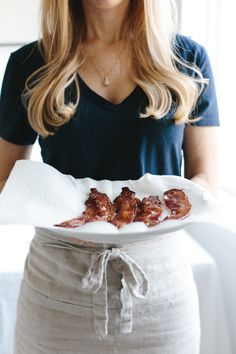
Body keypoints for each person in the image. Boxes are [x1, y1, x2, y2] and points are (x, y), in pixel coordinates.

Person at [0, 0, 219, 353]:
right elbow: (4, 180)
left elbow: (204, 175)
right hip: (58, 285)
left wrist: (175, 208)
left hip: (160, 286)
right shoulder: (30, 63)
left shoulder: (188, 59)